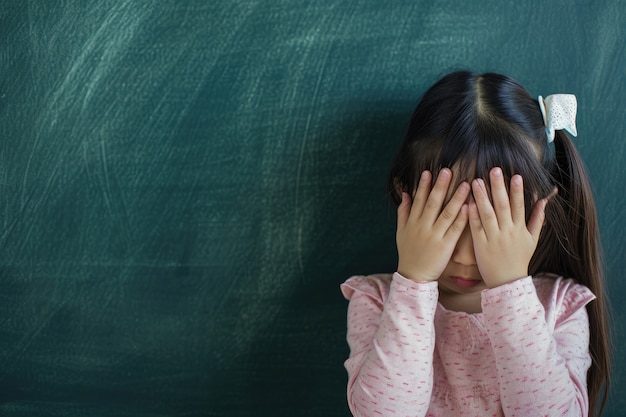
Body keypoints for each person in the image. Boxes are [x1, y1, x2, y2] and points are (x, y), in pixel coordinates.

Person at [340, 71, 610, 417]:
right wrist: (414, 282)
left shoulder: (560, 307)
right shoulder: (378, 302)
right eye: (447, 221)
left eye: (494, 224)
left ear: (540, 210)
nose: (468, 256)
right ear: (403, 196)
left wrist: (510, 288)